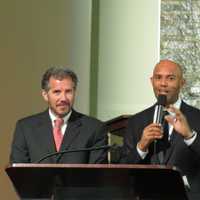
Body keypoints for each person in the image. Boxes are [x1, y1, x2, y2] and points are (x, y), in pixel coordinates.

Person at [120, 59, 200, 200]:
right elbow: (123, 169)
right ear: (151, 81)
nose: (163, 83)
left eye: (170, 78)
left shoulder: (197, 117)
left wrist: (190, 136)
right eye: (158, 78)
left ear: (182, 83)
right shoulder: (136, 121)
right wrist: (141, 146)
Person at [10, 66, 108, 164]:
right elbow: (19, 172)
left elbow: (97, 175)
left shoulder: (94, 128)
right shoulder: (25, 128)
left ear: (75, 93)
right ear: (45, 95)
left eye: (68, 91)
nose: (63, 98)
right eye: (57, 92)